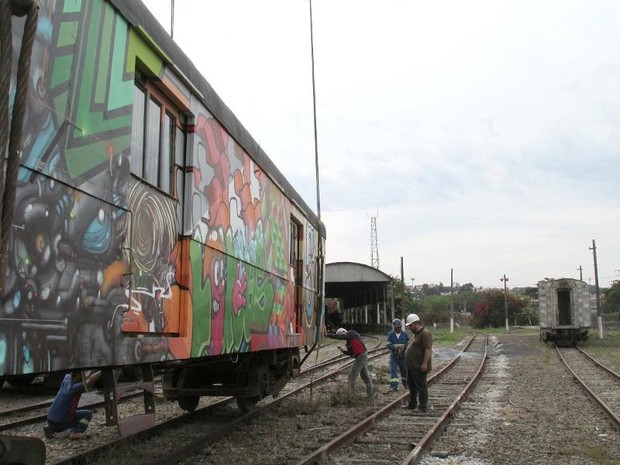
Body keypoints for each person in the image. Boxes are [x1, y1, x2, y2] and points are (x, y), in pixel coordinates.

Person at [44, 370, 102, 440]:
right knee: (87, 414)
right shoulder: (74, 388)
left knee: (69, 412)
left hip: (50, 419)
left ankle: (51, 428)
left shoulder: (67, 377)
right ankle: (76, 432)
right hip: (60, 423)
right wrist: (103, 371)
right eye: (82, 374)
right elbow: (90, 380)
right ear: (78, 375)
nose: (84, 376)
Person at [327, 327, 374, 398]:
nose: (342, 337)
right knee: (365, 377)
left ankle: (350, 397)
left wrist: (327, 334)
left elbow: (342, 336)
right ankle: (370, 396)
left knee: (351, 376)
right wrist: (343, 351)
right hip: (361, 357)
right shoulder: (348, 342)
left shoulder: (352, 333)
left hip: (361, 356)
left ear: (343, 332)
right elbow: (351, 353)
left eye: (341, 335)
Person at [404, 313, 432, 412]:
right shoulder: (416, 334)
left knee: (421, 386)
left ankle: (423, 406)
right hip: (412, 366)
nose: (410, 328)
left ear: (416, 323)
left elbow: (428, 349)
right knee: (412, 386)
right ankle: (412, 404)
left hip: (419, 366)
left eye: (411, 326)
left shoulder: (425, 333)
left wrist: (424, 363)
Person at [386, 318, 409, 392]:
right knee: (393, 370)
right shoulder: (390, 334)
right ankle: (394, 386)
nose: (397, 329)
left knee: (404, 371)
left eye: (399, 327)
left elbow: (409, 343)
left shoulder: (405, 334)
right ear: (394, 327)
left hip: (403, 357)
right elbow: (388, 344)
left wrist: (403, 347)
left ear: (401, 326)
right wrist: (394, 347)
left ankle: (406, 384)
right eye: (396, 328)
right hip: (394, 356)